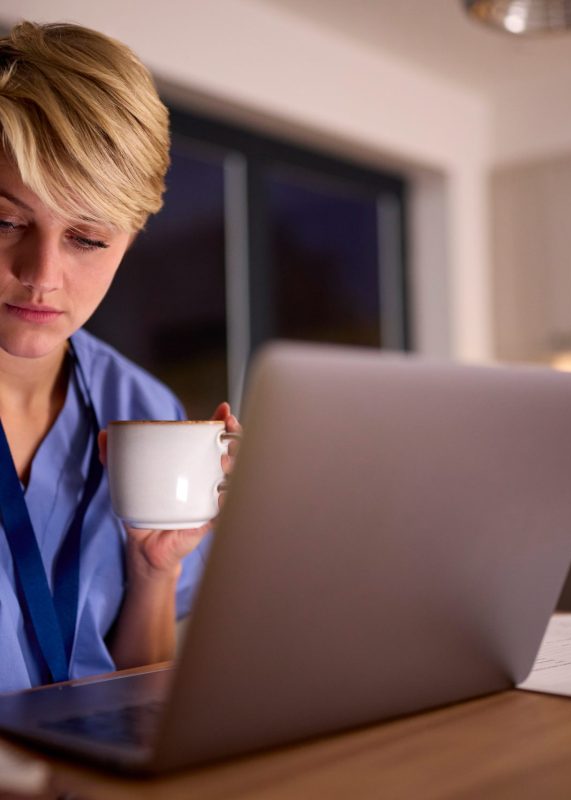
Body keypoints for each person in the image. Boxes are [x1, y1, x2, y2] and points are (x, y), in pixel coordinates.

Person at [0, 20, 241, 693]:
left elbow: (131, 700)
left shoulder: (142, 408)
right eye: (5, 221)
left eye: (87, 239)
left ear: (131, 241)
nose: (41, 273)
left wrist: (156, 569)